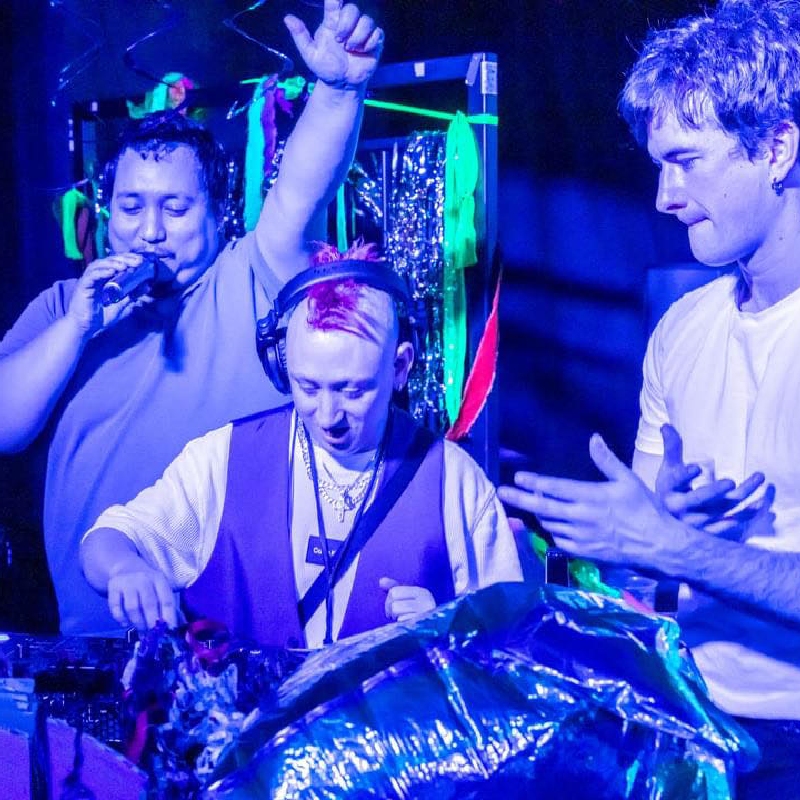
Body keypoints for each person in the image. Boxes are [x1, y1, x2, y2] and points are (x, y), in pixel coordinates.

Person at [0, 0, 384, 635]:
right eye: (131, 207)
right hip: (92, 646)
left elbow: (300, 194)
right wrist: (77, 327)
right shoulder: (60, 308)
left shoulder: (248, 278)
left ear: (217, 214)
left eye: (175, 208)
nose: (149, 232)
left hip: (233, 649)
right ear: (107, 212)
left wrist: (339, 91)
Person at [499, 0, 800, 794]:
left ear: (776, 148)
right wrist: (648, 543)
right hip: (694, 717)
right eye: (657, 164)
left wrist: (675, 546)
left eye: (687, 160)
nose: (665, 195)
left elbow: (674, 554)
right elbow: (647, 581)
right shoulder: (681, 329)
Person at [79, 252, 523, 648]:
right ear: (280, 366)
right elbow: (105, 540)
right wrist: (124, 569)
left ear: (400, 366)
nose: (328, 414)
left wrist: (449, 628)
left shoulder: (454, 480)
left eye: (353, 390)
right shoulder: (224, 457)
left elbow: (511, 646)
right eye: (308, 387)